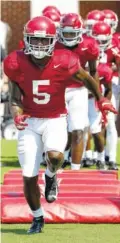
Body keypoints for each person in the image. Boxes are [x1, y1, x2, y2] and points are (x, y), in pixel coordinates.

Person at [4, 16, 117, 234]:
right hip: (29, 121)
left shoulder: (64, 59)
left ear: (52, 41)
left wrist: (101, 99)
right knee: (28, 175)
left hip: (55, 117)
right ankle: (37, 218)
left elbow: (86, 78)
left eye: (43, 41)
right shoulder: (15, 62)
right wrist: (17, 115)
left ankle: (51, 175)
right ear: (26, 40)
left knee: (55, 156)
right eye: (34, 41)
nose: (38, 46)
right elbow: (15, 98)